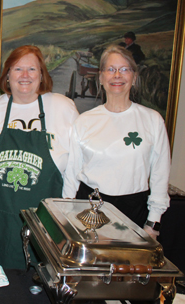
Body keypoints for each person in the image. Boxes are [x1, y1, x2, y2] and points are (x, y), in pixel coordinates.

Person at [0, 45, 79, 269]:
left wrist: (66, 210)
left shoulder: (63, 107)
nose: (25, 76)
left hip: (45, 221)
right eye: (17, 69)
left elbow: (75, 166)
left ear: (42, 75)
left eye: (32, 69)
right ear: (7, 75)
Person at [63, 45, 170, 240]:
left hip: (134, 212)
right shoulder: (84, 121)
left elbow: (160, 175)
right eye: (111, 69)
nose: (117, 75)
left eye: (124, 69)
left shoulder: (152, 120)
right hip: (88, 211)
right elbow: (72, 176)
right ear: (101, 77)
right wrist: (65, 219)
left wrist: (153, 223)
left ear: (134, 77)